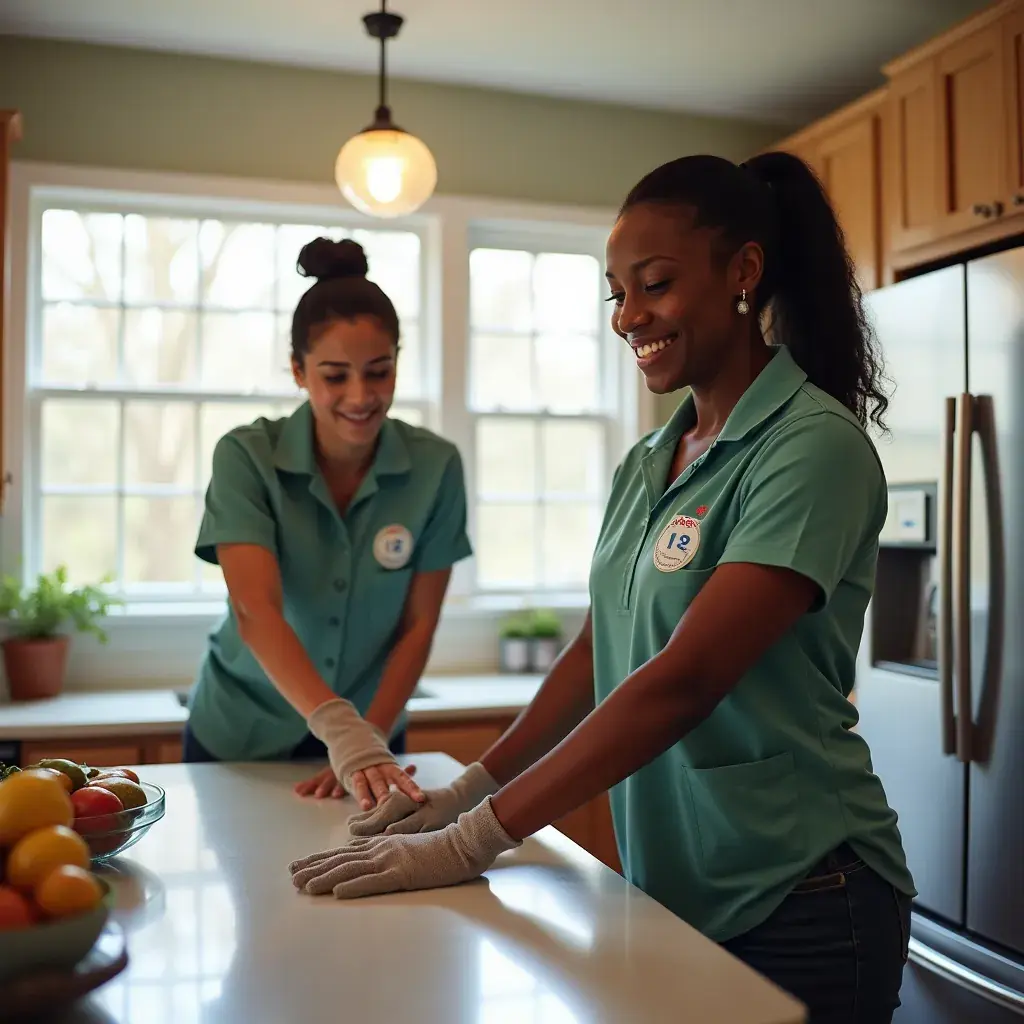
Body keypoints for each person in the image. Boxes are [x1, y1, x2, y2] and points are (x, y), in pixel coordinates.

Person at [288, 153, 917, 1022]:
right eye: (616, 293)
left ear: (743, 272)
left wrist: (477, 840)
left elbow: (684, 679)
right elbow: (598, 654)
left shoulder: (811, 446)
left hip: (802, 892)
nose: (630, 317)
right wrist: (467, 789)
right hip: (675, 889)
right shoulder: (653, 460)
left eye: (654, 284)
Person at [184, 237, 472, 813]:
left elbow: (418, 625)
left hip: (375, 733)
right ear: (298, 369)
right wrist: (343, 732)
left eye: (379, 371)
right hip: (240, 737)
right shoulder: (246, 457)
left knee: (368, 891)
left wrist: (367, 739)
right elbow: (254, 610)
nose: (361, 397)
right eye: (335, 376)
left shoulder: (435, 467)